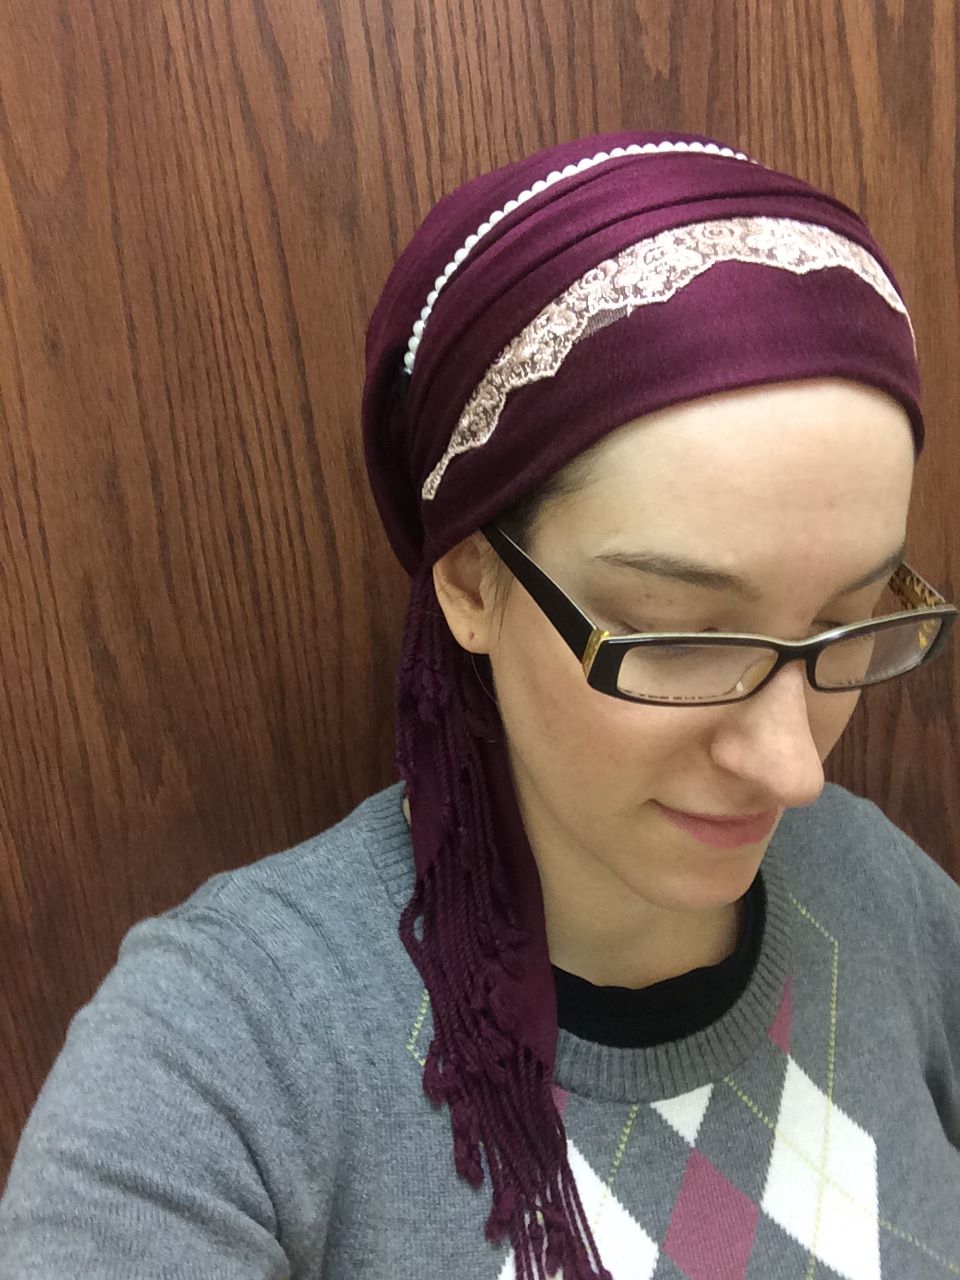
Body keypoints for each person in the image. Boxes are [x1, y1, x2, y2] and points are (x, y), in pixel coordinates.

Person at [1, 129, 958, 1280]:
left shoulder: (878, 890)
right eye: (681, 634)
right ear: (469, 583)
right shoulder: (221, 1059)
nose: (795, 767)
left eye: (848, 619)